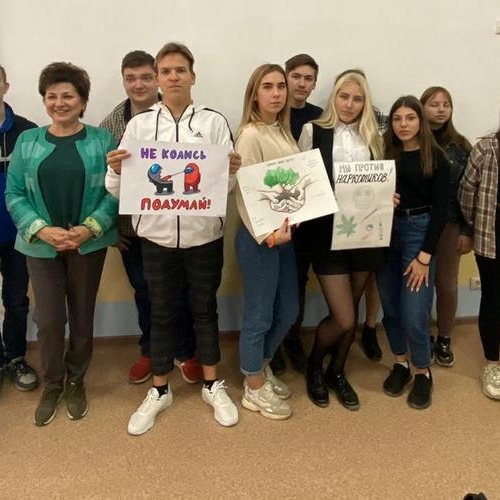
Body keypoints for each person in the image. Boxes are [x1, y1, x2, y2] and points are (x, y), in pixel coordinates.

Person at [105, 42, 240, 435]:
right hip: (156, 238)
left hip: (204, 237)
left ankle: (212, 385)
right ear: (159, 79)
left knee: (204, 310)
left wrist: (231, 170)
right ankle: (160, 389)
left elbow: (225, 189)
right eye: (166, 71)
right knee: (161, 312)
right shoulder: (139, 126)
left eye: (181, 70)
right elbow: (118, 189)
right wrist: (115, 170)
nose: (173, 77)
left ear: (193, 76)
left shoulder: (214, 122)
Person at [6, 62, 118, 425]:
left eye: (67, 95)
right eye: (51, 96)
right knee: (50, 320)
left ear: (83, 100)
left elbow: (116, 191)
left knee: (82, 315)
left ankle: (76, 379)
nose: (59, 103)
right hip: (41, 247)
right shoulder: (28, 141)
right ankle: (52, 383)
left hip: (87, 244)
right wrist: (41, 229)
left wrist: (90, 228)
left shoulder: (102, 141)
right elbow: (14, 193)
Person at [100, 50, 202, 385]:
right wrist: (109, 229)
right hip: (131, 230)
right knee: (145, 291)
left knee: (181, 290)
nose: (139, 84)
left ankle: (184, 351)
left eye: (146, 77)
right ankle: (149, 350)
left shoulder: (183, 116)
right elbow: (104, 180)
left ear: (156, 78)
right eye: (131, 78)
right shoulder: (112, 125)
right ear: (123, 81)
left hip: (178, 225)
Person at [297, 70, 384, 410]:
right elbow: (303, 182)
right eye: (344, 96)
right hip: (325, 234)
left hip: (366, 232)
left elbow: (381, 180)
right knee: (344, 317)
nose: (349, 104)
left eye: (357, 99)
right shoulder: (312, 131)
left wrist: (387, 195)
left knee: (355, 305)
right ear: (334, 97)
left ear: (365, 103)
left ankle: (337, 370)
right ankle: (315, 367)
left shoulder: (374, 136)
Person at [234, 63, 299, 420]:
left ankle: (262, 365)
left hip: (285, 236)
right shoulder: (250, 135)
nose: (276, 93)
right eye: (267, 87)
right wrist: (266, 234)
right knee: (259, 316)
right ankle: (253, 387)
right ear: (254, 94)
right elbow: (245, 192)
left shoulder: (282, 130)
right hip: (260, 239)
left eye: (280, 86)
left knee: (287, 310)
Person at [377, 95, 450, 410]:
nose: (403, 124)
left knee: (414, 312)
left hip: (418, 233)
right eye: (397, 119)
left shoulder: (436, 157)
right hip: (384, 233)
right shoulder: (384, 155)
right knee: (391, 307)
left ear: (420, 121)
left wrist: (424, 257)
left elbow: (441, 211)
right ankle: (400, 363)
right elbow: (367, 195)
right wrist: (382, 198)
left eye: (410, 118)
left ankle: (422, 371)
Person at [267, 54, 323, 375]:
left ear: (314, 84)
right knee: (273, 281)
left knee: (298, 279)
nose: (302, 83)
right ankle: (272, 344)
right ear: (286, 78)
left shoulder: (320, 118)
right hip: (272, 213)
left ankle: (292, 338)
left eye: (308, 78)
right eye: (296, 76)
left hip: (307, 216)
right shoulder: (271, 113)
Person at [421, 86, 473, 367]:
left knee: (447, 285)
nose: (441, 109)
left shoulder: (461, 146)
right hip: (418, 223)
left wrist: (467, 230)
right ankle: (422, 335)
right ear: (422, 107)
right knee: (420, 284)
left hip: (451, 224)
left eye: (446, 104)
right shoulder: (412, 140)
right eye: (434, 104)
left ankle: (444, 337)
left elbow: (469, 191)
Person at [0, 64, 39, 397]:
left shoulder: (28, 133)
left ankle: (15, 358)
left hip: (18, 234)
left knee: (16, 301)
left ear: (6, 86)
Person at [458, 125, 500, 400]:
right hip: (491, 236)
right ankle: (492, 363)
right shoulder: (486, 148)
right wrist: (476, 225)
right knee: (493, 298)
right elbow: (466, 191)